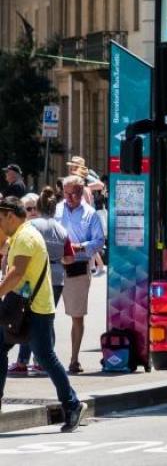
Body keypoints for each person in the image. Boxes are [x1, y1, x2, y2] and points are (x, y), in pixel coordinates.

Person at [0, 196, 85, 430]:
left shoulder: (26, 237)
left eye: (0, 217)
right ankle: (72, 404)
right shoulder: (19, 235)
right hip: (24, 307)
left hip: (35, 308)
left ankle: (72, 404)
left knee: (46, 357)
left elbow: (17, 274)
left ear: (10, 216)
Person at [9, 191, 71, 376]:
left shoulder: (30, 226)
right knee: (47, 319)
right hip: (57, 277)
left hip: (33, 279)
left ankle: (23, 361)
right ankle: (41, 360)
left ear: (38, 207)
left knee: (25, 316)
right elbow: (69, 257)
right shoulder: (61, 229)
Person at [55, 175, 105, 375]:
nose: (70, 197)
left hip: (77, 267)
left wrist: (78, 247)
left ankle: (74, 359)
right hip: (55, 267)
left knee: (77, 316)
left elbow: (99, 241)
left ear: (82, 191)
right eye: (66, 193)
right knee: (44, 314)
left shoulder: (90, 214)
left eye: (74, 193)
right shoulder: (57, 210)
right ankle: (43, 359)